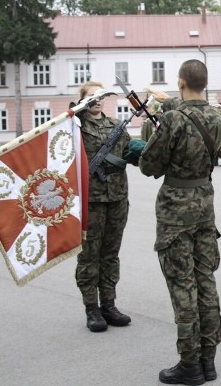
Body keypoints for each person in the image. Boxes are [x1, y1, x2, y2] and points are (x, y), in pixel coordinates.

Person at [139, 60, 221, 384]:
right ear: (205, 83)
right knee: (206, 281)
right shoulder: (218, 115)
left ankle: (190, 363)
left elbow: (150, 164)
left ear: (180, 82)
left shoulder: (174, 119)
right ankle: (208, 359)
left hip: (176, 210)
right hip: (205, 204)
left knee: (183, 284)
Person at [75, 80, 139, 333]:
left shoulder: (116, 126)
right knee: (90, 255)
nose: (97, 100)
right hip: (90, 200)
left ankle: (109, 304)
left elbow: (129, 155)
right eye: (91, 96)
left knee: (110, 254)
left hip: (117, 198)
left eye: (100, 96)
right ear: (83, 100)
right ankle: (91, 307)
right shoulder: (75, 126)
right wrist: (75, 111)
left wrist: (144, 151)